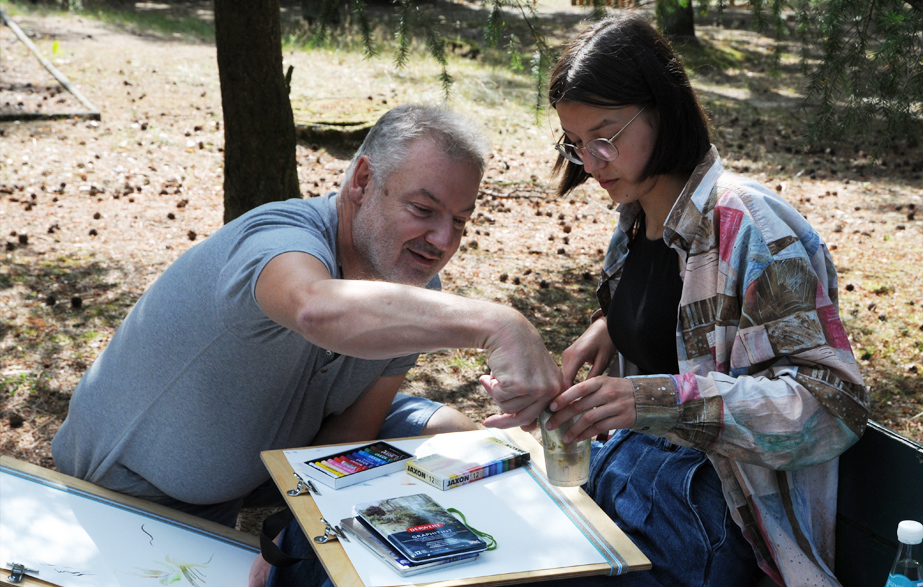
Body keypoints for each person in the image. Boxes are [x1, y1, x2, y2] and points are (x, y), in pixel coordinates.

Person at [51, 104, 562, 570]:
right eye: (423, 210)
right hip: (126, 494)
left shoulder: (415, 289)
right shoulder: (278, 238)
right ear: (363, 179)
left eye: (459, 220)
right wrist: (500, 322)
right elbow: (316, 307)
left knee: (456, 436)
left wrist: (301, 533)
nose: (444, 240)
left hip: (265, 465)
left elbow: (351, 436)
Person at [531, 14, 870, 587]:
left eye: (606, 137)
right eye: (576, 143)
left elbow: (830, 406)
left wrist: (654, 400)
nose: (590, 165)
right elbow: (683, 317)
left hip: (722, 525)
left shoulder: (751, 228)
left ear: (663, 109)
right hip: (637, 488)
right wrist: (611, 324)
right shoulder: (638, 220)